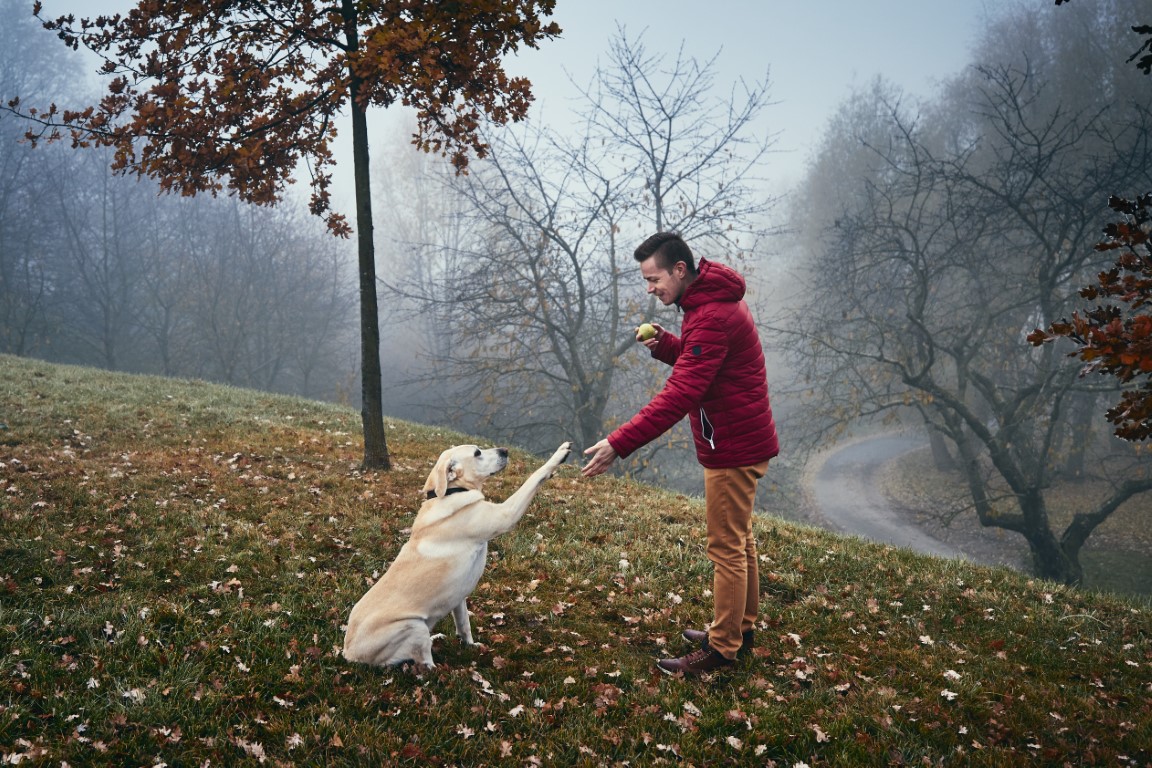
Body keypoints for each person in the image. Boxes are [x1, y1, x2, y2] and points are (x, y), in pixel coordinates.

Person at [582, 232, 779, 676]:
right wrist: (670, 346)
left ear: (680, 269)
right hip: (741, 438)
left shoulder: (708, 315)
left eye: (653, 278)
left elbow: (681, 394)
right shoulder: (708, 304)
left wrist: (618, 443)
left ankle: (722, 650)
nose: (650, 288)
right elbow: (708, 363)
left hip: (732, 445)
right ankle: (741, 628)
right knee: (740, 540)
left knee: (725, 546)